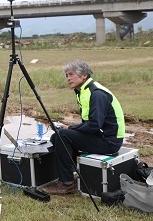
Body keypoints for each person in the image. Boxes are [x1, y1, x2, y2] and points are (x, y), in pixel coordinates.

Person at [44, 60, 125, 195]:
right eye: (66, 75)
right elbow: (91, 123)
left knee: (62, 135)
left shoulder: (97, 93)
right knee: (56, 136)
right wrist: (70, 128)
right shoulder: (84, 90)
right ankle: (76, 172)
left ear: (84, 76)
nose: (68, 78)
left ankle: (67, 183)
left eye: (71, 74)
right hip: (100, 136)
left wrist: (70, 128)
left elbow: (94, 125)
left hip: (109, 142)